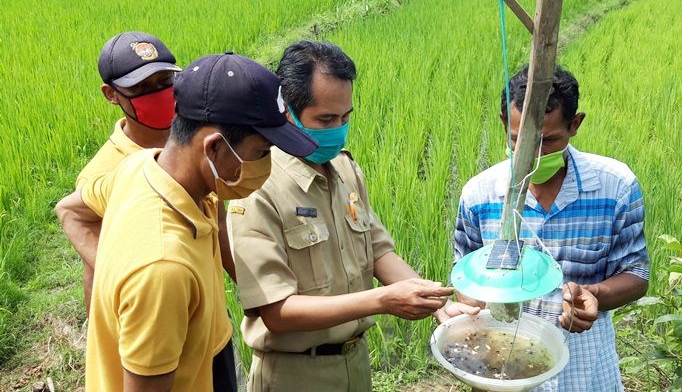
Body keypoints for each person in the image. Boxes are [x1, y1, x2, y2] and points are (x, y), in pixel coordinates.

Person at [55, 53, 317, 391]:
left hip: (206, 349)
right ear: (214, 148)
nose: (265, 165)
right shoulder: (163, 270)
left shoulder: (145, 169)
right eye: (260, 151)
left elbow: (72, 207)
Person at [228, 40, 477, 392]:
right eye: (326, 119)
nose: (338, 129)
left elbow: (377, 249)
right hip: (295, 374)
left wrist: (439, 305)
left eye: (345, 117)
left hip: (355, 364)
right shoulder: (258, 189)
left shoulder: (344, 169)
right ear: (288, 113)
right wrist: (382, 301)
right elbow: (276, 312)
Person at [453, 65, 649, 390]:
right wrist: (473, 315)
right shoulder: (480, 194)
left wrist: (594, 294)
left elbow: (637, 274)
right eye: (520, 141)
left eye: (548, 141)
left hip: (584, 364)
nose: (532, 154)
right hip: (505, 361)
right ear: (505, 125)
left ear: (575, 124)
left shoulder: (615, 187)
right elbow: (466, 274)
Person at [69, 31, 236, 315]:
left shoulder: (197, 142)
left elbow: (218, 222)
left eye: (164, 82)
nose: (158, 94)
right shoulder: (102, 174)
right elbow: (96, 271)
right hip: (158, 326)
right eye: (142, 87)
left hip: (211, 319)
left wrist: (250, 289)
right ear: (111, 94)